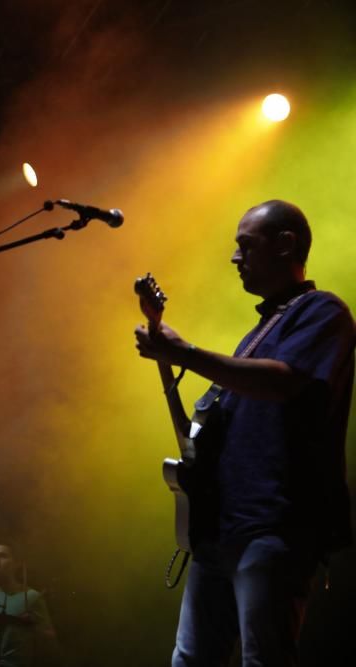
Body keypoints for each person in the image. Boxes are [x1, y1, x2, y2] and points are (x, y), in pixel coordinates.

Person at [134, 200, 355, 666]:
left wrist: (187, 353)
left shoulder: (323, 311)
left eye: (245, 245)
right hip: (220, 530)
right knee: (190, 660)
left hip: (274, 527)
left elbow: (281, 380)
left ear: (285, 245)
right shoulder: (260, 329)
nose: (235, 258)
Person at [0, 542, 57, 667]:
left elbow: (50, 639)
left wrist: (34, 627)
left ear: (16, 564)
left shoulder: (31, 597)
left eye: (3, 556)